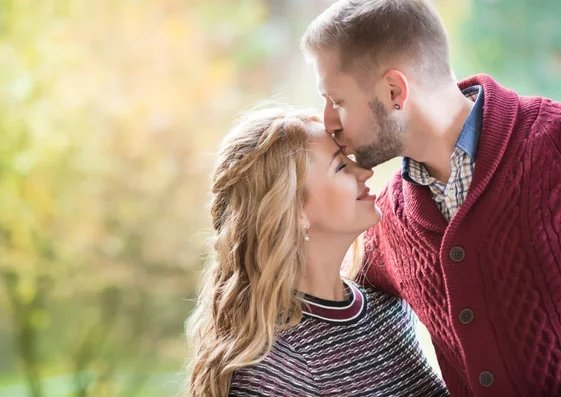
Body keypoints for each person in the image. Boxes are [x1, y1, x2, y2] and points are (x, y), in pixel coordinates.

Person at [300, 0, 561, 396]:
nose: (329, 121)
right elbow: (323, 291)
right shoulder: (388, 222)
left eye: (337, 101)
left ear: (394, 90)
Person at [186, 106, 449, 397]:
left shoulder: (387, 304)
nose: (364, 171)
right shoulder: (272, 372)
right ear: (294, 210)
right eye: (340, 166)